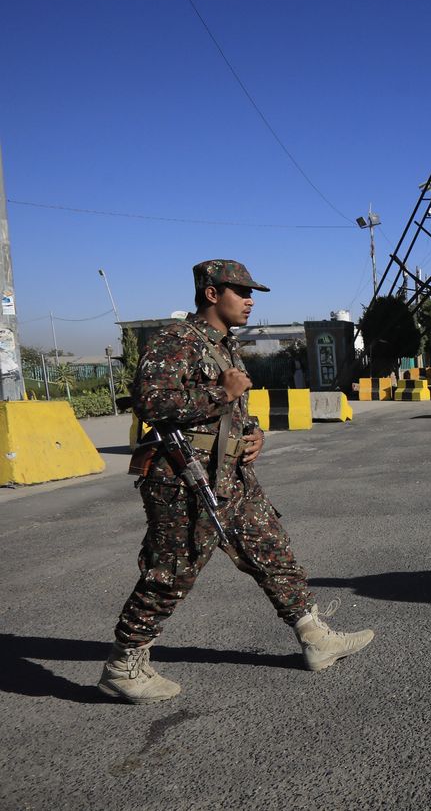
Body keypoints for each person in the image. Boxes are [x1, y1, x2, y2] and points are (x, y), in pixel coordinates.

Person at [99, 260, 374, 704]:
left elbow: (234, 411)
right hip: (186, 481)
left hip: (233, 476)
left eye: (251, 293)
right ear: (212, 293)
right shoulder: (176, 342)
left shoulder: (224, 344)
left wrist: (255, 434)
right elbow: (149, 404)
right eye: (240, 291)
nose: (249, 300)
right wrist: (220, 393)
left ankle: (314, 638)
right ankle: (124, 664)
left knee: (274, 551)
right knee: (171, 572)